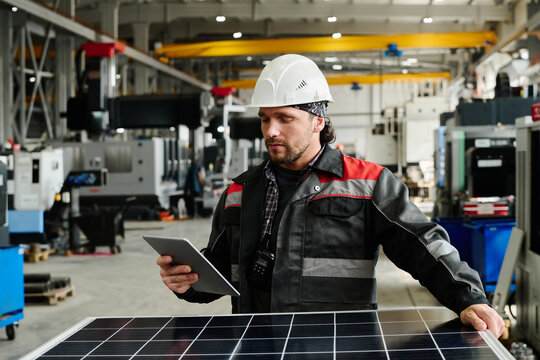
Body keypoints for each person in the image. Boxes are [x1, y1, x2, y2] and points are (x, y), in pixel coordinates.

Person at [158, 54, 505, 338]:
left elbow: (423, 245)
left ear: (318, 121)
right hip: (257, 345)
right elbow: (218, 274)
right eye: (265, 120)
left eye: (284, 118)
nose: (271, 131)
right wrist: (186, 282)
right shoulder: (238, 191)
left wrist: (469, 298)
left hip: (342, 345)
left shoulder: (368, 183)